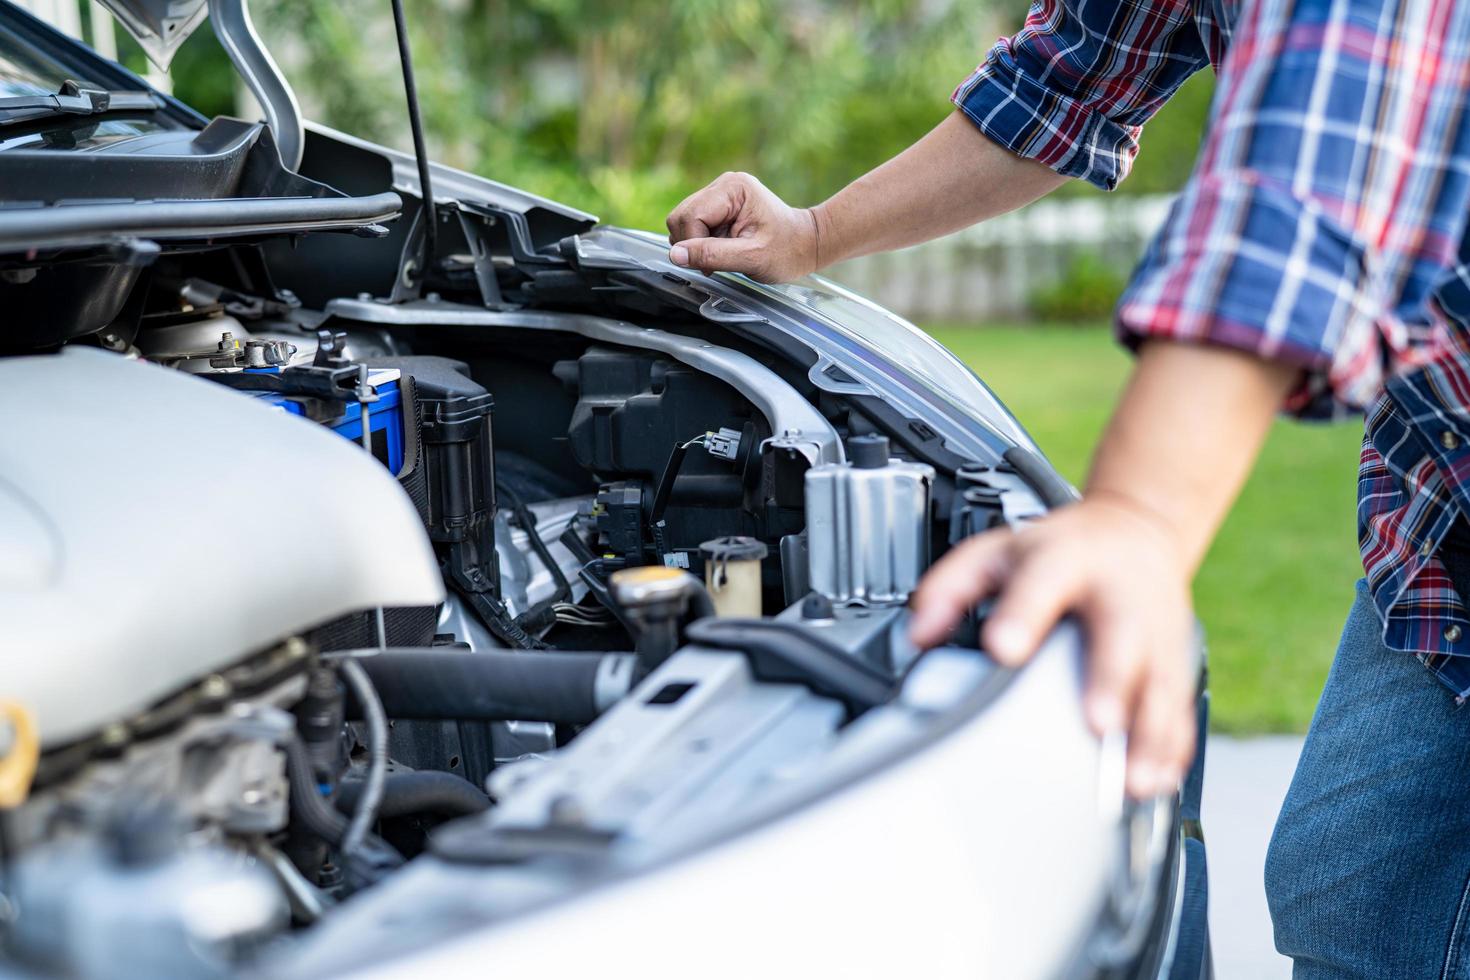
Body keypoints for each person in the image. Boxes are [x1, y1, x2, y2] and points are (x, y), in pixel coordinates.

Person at [665, 0, 1470, 973]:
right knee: (1355, 898)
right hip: (1437, 510)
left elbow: (1321, 149)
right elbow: (1062, 81)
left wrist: (1142, 515)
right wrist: (816, 232)